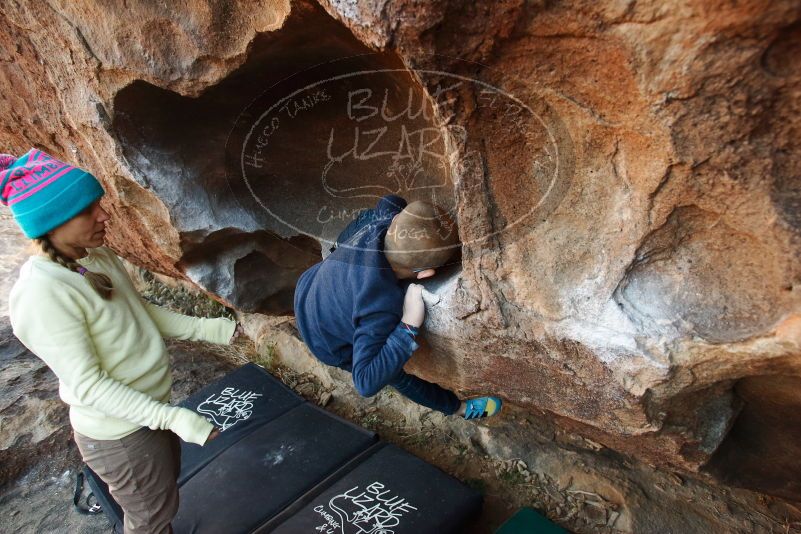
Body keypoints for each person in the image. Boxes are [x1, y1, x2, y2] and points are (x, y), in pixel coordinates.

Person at [2, 148, 242, 534]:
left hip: (146, 411)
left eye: (97, 204)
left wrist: (212, 330)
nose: (104, 215)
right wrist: (174, 418)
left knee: (162, 502)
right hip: (121, 434)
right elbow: (89, 385)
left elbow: (137, 310)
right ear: (50, 223)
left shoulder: (93, 255)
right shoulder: (42, 295)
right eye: (87, 211)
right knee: (150, 519)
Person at [294, 194, 502, 420]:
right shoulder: (380, 306)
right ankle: (458, 408)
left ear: (394, 222)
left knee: (364, 222)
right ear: (425, 274)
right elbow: (365, 381)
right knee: (396, 376)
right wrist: (408, 325)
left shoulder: (380, 224)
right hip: (324, 341)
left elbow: (389, 200)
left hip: (307, 285)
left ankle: (339, 251)